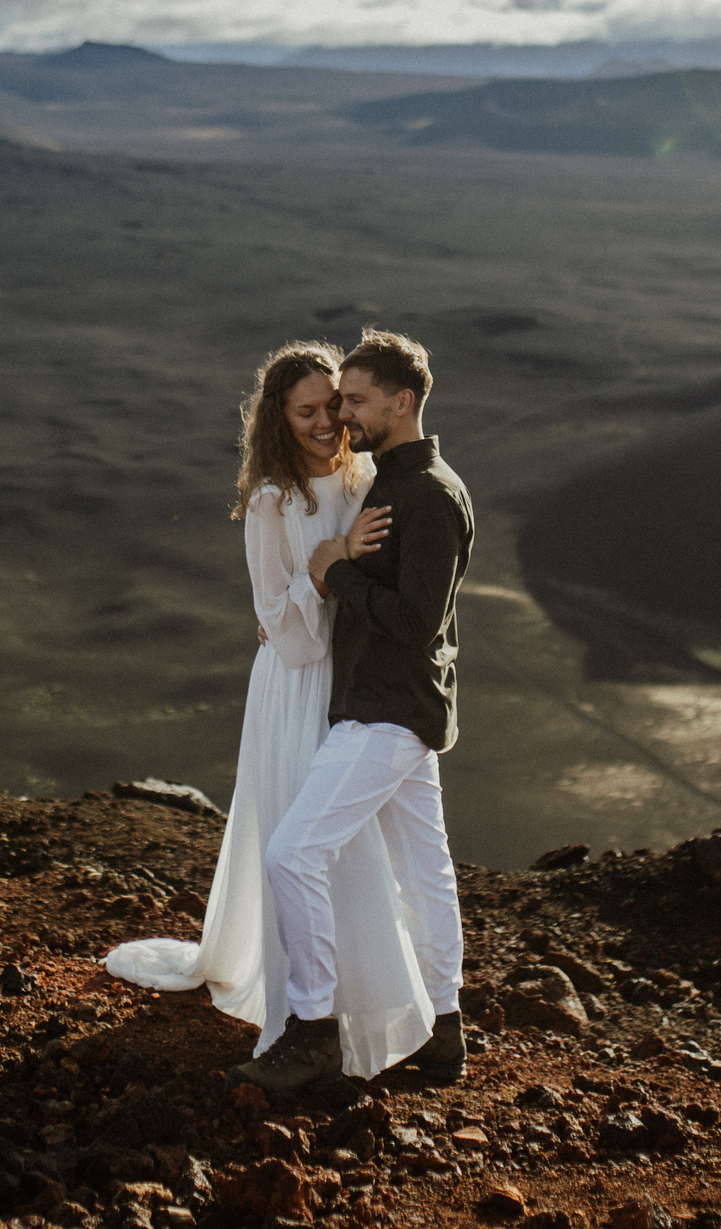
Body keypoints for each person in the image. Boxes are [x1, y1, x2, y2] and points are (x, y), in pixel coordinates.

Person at [103, 341, 438, 1080]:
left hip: (361, 685)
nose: (328, 421)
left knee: (360, 851)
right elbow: (281, 629)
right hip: (298, 690)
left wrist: (340, 567)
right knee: (306, 846)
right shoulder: (273, 503)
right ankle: (307, 1015)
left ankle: (371, 1003)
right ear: (279, 420)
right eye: (308, 410)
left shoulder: (368, 475)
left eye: (336, 405)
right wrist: (330, 569)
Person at [232, 329, 473, 1096]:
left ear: (401, 403)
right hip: (384, 702)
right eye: (335, 402)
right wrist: (329, 571)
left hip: (386, 711)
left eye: (355, 399)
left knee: (292, 853)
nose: (343, 415)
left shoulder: (425, 493)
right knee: (425, 869)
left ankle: (312, 1029)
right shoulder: (390, 482)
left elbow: (415, 620)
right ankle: (443, 1031)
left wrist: (335, 572)